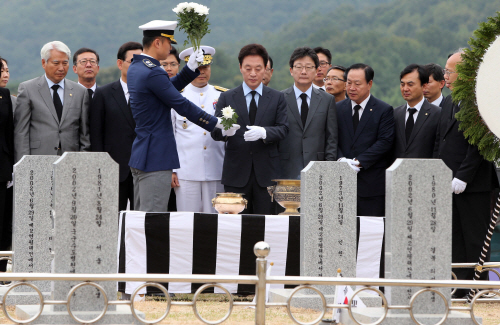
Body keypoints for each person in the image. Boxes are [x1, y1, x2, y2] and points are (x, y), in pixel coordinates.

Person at [127, 20, 229, 213]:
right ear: (158, 43)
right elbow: (180, 104)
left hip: (145, 152)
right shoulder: (153, 72)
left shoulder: (138, 66)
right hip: (156, 156)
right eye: (169, 43)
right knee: (152, 219)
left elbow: (167, 89)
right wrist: (215, 124)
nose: (170, 47)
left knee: (143, 217)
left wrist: (189, 69)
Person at [435, 49, 498, 298]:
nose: (446, 76)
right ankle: (460, 287)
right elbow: (442, 140)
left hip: (473, 183)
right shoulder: (449, 101)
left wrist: (463, 176)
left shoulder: (479, 99)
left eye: (450, 71)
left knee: (475, 238)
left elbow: (481, 142)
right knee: (455, 237)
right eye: (445, 71)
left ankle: (478, 288)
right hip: (448, 180)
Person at [211, 44, 288, 215]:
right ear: (240, 68)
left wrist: (264, 133)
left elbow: (283, 129)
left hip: (267, 173)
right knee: (235, 224)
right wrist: (225, 131)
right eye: (248, 68)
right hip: (236, 173)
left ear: (266, 69)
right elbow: (215, 132)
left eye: (258, 68)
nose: (253, 73)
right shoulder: (227, 96)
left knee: (266, 222)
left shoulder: (277, 97)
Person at [14, 41, 90, 163]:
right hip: (38, 158)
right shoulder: (28, 89)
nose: (61, 68)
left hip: (71, 160)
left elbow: (84, 133)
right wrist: (23, 164)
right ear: (44, 63)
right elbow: (21, 131)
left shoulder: (80, 92)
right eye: (56, 63)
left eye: (65, 63)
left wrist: (83, 159)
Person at [171, 46, 226, 213]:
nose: (202, 72)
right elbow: (170, 135)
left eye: (206, 67)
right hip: (186, 171)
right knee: (187, 223)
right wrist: (172, 170)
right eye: (198, 68)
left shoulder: (223, 96)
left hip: (217, 169)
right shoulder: (176, 95)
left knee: (217, 223)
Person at [90, 41, 143, 212]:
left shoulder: (150, 93)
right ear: (120, 64)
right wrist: (100, 166)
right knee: (111, 219)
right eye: (133, 61)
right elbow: (96, 134)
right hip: (113, 168)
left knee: (140, 220)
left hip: (143, 168)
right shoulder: (103, 94)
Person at [279, 46, 337, 180]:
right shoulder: (280, 98)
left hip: (318, 169)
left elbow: (331, 139)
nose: (303, 71)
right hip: (286, 169)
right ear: (291, 70)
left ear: (317, 70)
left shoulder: (327, 100)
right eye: (299, 67)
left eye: (309, 67)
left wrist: (329, 168)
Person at [393, 64, 441, 159]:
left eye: (410, 84)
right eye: (402, 84)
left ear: (424, 86)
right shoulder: (395, 114)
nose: (405, 89)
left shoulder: (437, 114)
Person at [0, 60, 14, 272]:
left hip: (2, 168)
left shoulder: (5, 97)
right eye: (1, 70)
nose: (5, 74)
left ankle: (1, 272)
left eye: (7, 70)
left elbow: (10, 133)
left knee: (3, 221)